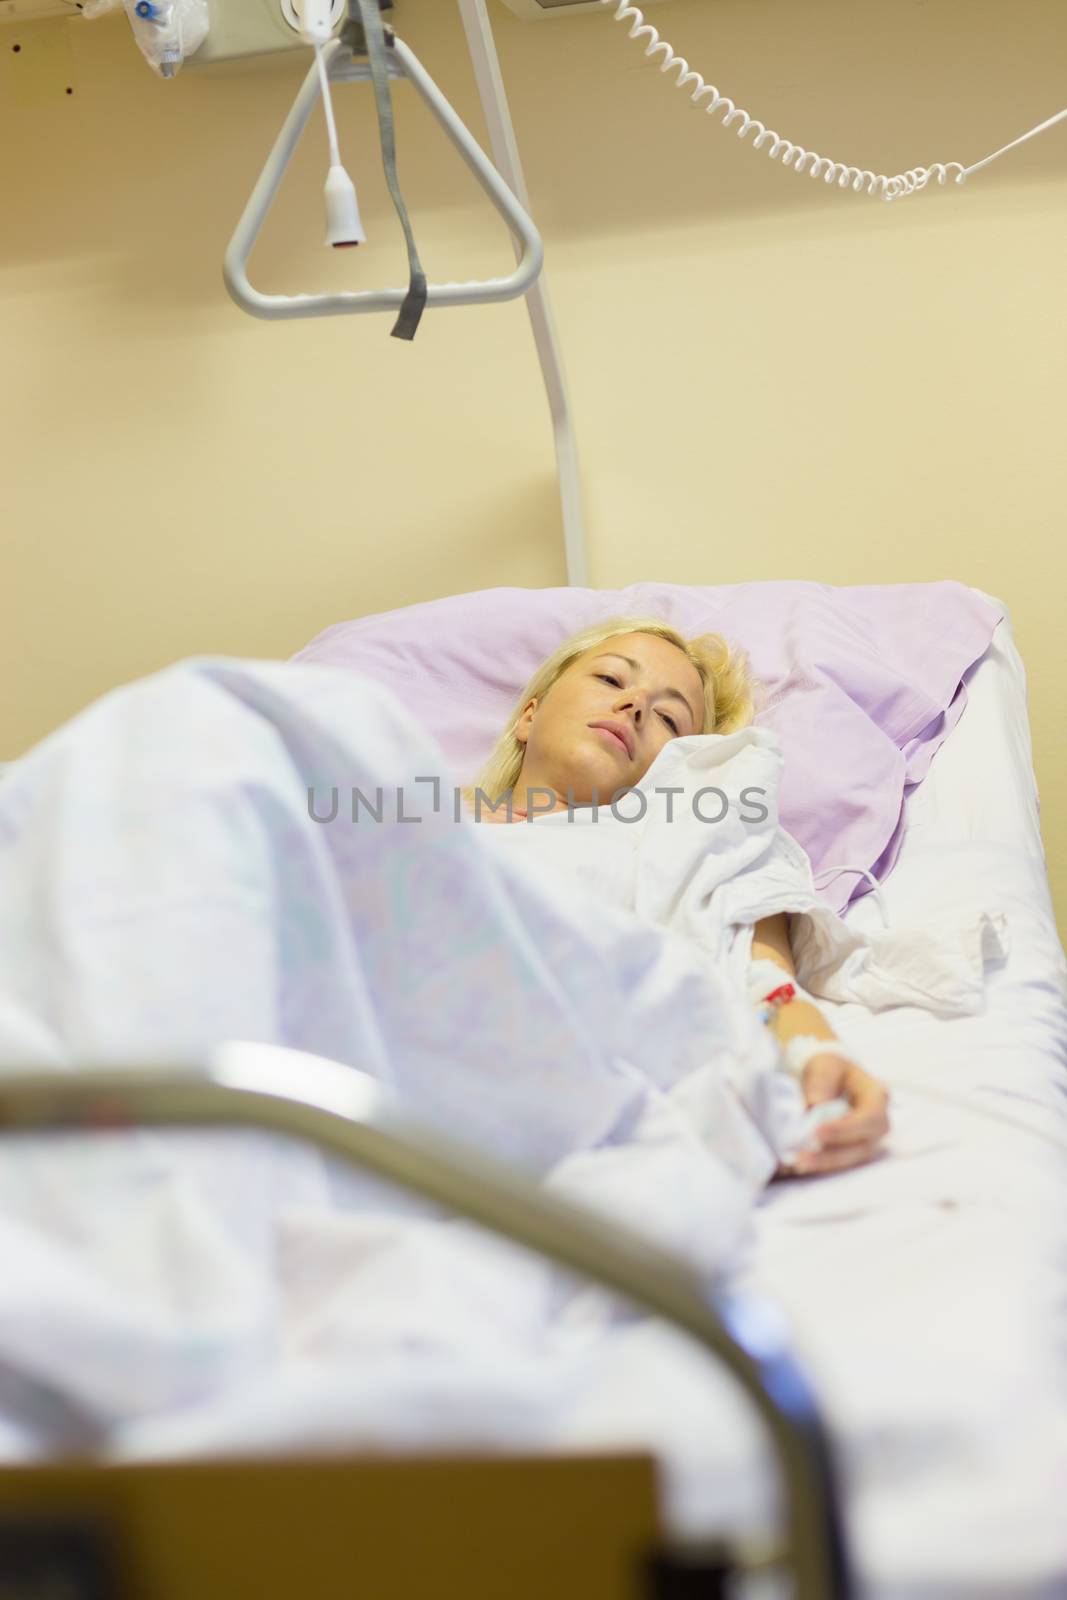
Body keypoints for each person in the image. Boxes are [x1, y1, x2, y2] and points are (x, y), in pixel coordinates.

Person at [460, 616, 891, 1180]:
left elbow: (764, 981)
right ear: (529, 715)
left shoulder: (684, 845)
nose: (635, 705)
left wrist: (816, 1056)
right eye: (613, 680)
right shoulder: (412, 817)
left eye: (668, 717)